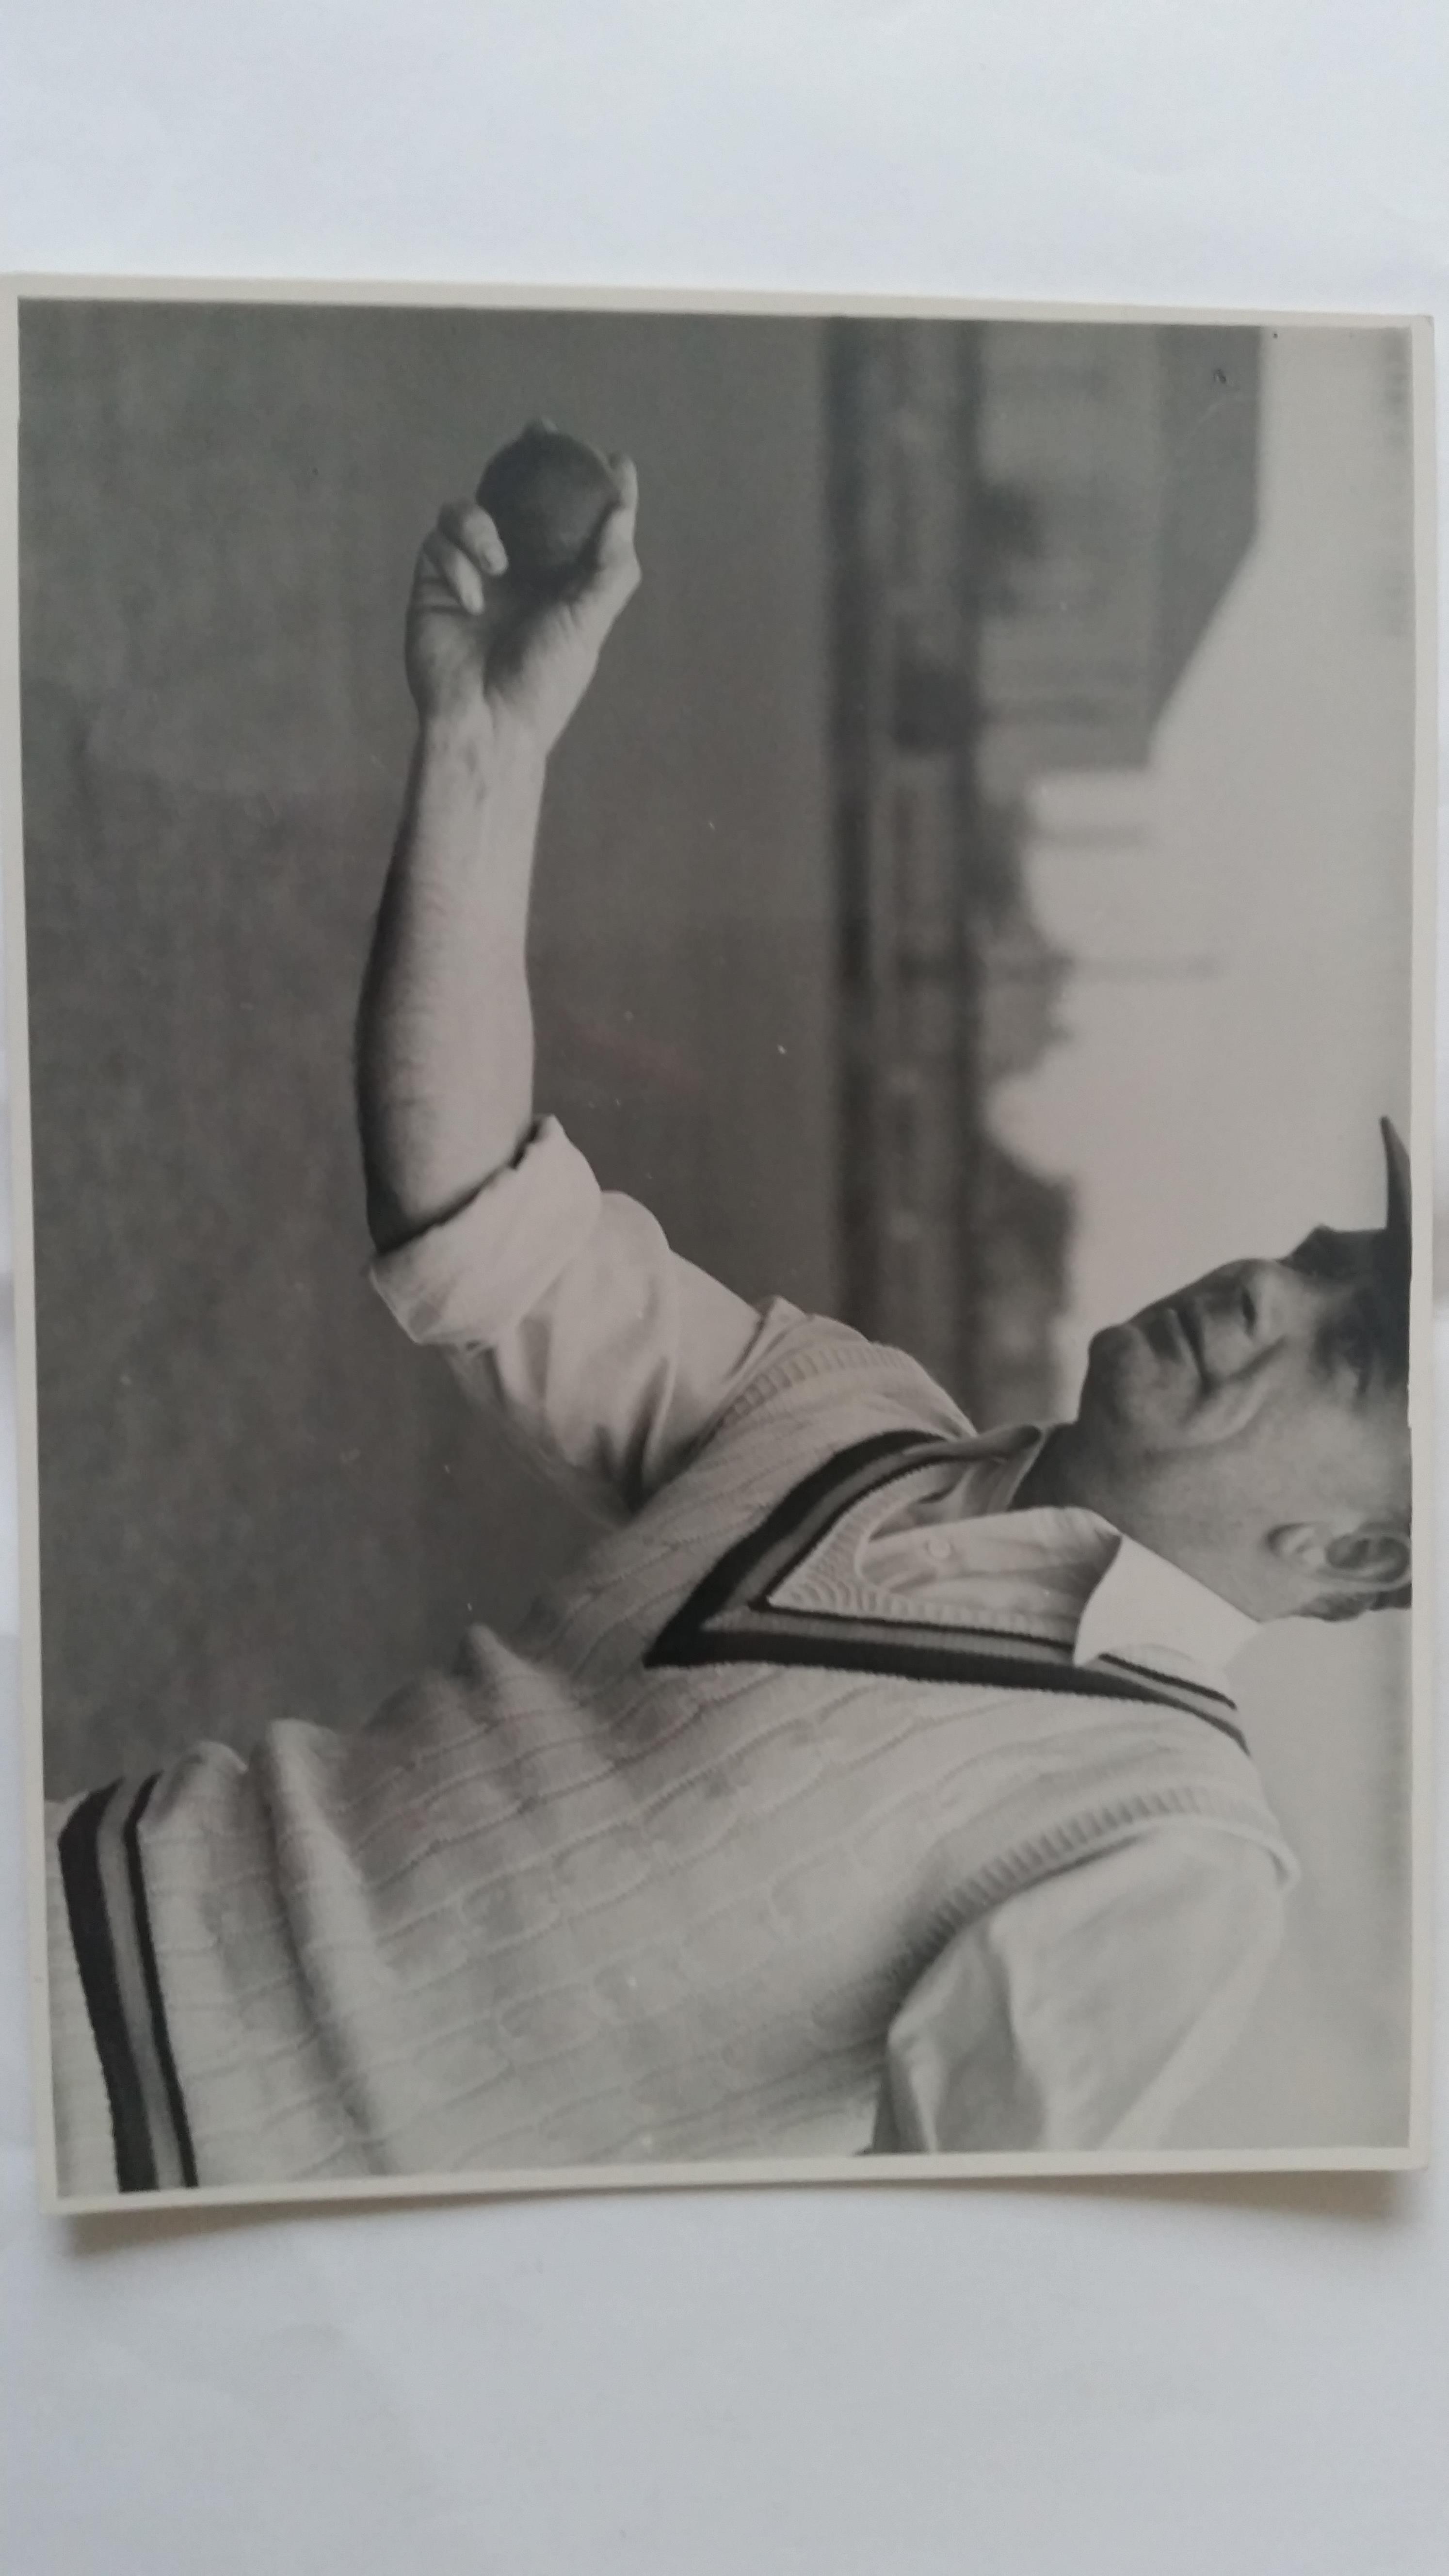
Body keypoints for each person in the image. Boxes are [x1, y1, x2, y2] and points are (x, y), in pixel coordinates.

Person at [45, 451, 1413, 2198]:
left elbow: (934, 2306)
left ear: (1358, 1550)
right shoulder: (848, 1412)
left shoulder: (1169, 1840)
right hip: (77, 1891)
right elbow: (480, 1225)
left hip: (163, 2229)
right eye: (1311, 1253)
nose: (1266, 1289)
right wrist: (488, 744)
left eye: (1350, 1344)